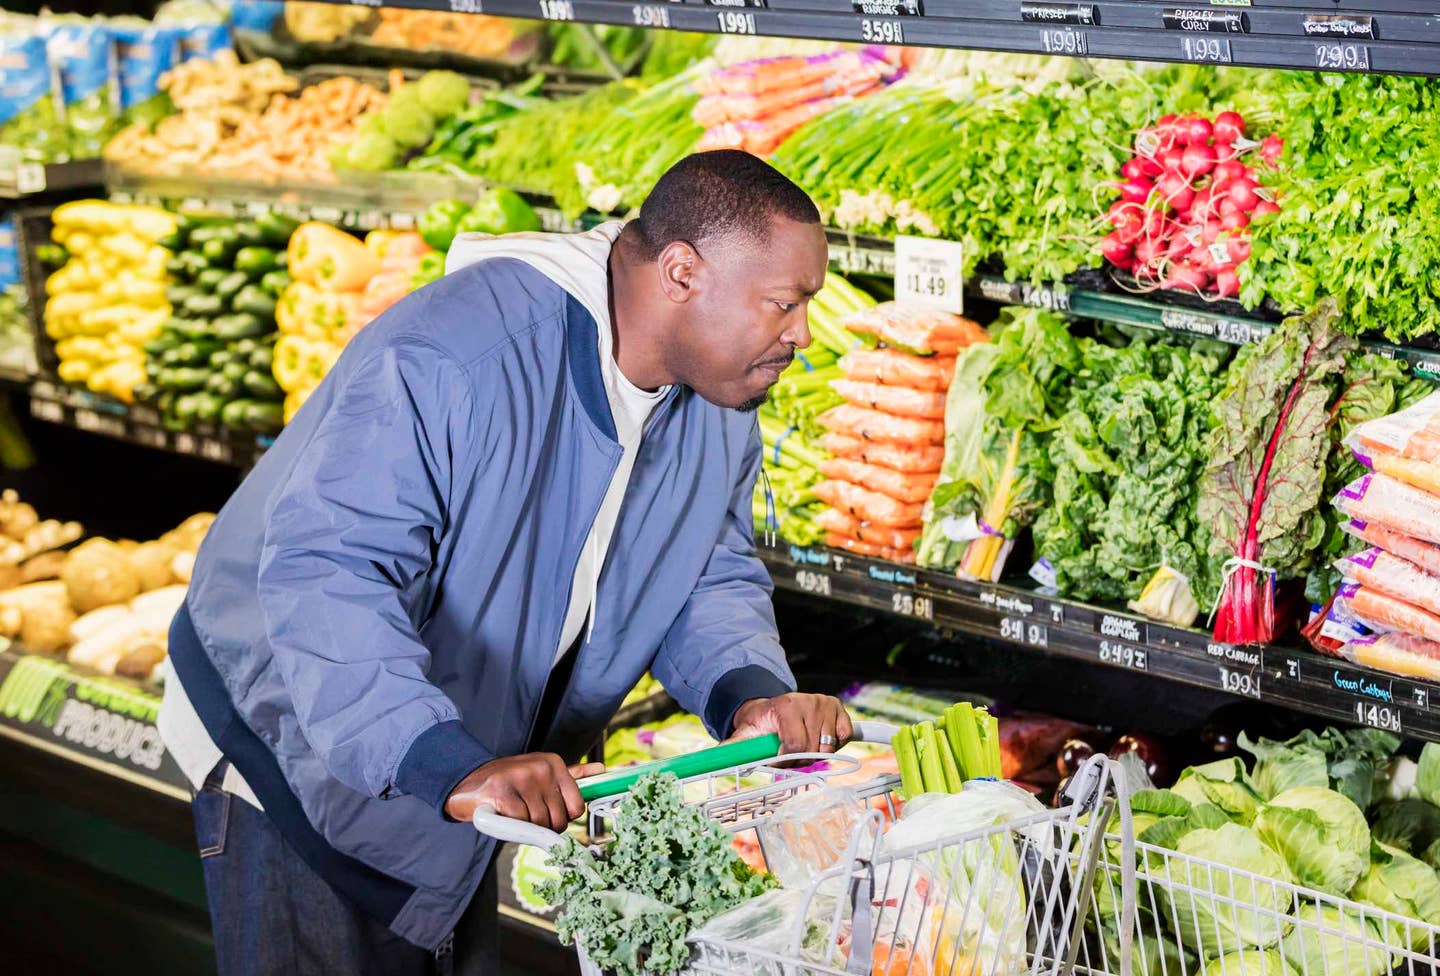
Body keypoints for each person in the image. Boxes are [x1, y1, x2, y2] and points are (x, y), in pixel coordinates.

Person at [157, 150, 853, 975]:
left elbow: (702, 569)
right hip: (301, 752)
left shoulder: (717, 399)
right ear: (681, 273)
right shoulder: (457, 356)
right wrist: (445, 762)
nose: (802, 334)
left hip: (466, 767)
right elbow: (328, 574)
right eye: (783, 303)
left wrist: (750, 694)